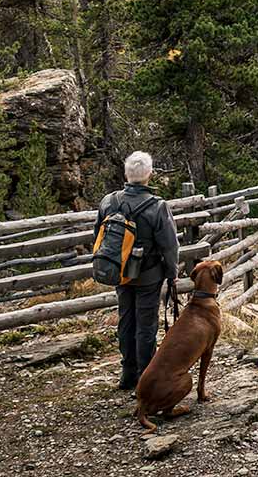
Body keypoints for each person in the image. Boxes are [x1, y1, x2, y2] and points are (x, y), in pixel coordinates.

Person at [95, 150, 180, 390]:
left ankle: (127, 374)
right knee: (146, 325)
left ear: (126, 173)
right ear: (149, 175)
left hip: (120, 272)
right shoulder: (157, 206)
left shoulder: (109, 201)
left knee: (126, 321)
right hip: (148, 275)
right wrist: (172, 273)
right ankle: (146, 377)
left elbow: (98, 237)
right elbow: (169, 245)